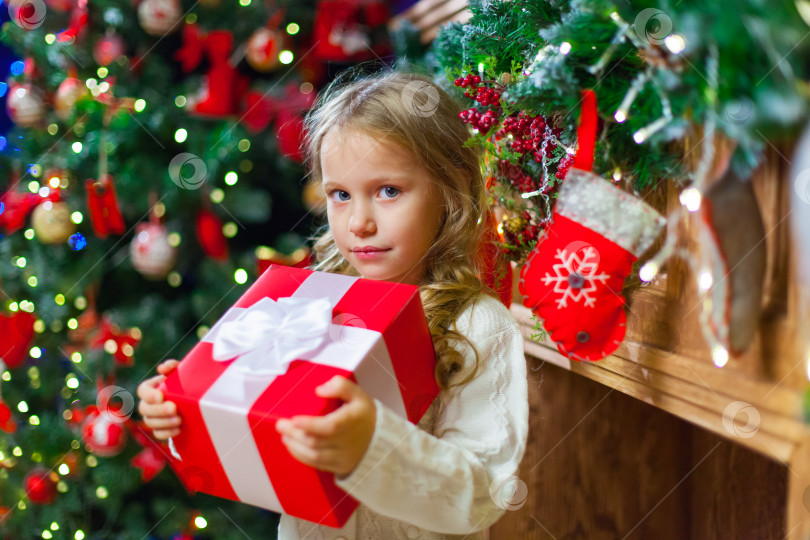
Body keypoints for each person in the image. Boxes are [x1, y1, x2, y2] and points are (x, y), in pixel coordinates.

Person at [137, 70, 529, 539]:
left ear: (449, 189)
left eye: (388, 191)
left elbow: (482, 494)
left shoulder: (480, 326)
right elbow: (262, 436)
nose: (359, 222)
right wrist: (185, 420)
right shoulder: (305, 307)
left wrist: (373, 446)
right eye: (340, 195)